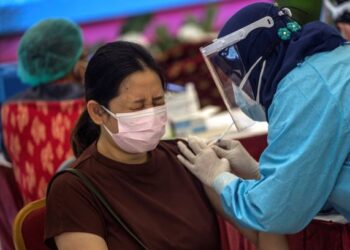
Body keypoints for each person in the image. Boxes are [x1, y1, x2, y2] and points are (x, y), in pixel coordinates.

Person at [178, 0, 350, 242]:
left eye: (238, 74)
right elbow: (317, 182)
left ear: (259, 60)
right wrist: (258, 172)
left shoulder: (303, 91)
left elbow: (276, 214)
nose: (238, 88)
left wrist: (219, 178)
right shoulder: (331, 61)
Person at [44, 41, 221, 250]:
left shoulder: (186, 157)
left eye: (157, 102)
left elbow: (259, 227)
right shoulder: (74, 190)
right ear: (97, 112)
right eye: (137, 106)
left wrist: (252, 179)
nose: (151, 113)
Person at [1, 18, 87, 202]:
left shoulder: (11, 111)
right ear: (73, 58)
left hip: (36, 222)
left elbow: (9, 160)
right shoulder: (92, 104)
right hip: (91, 215)